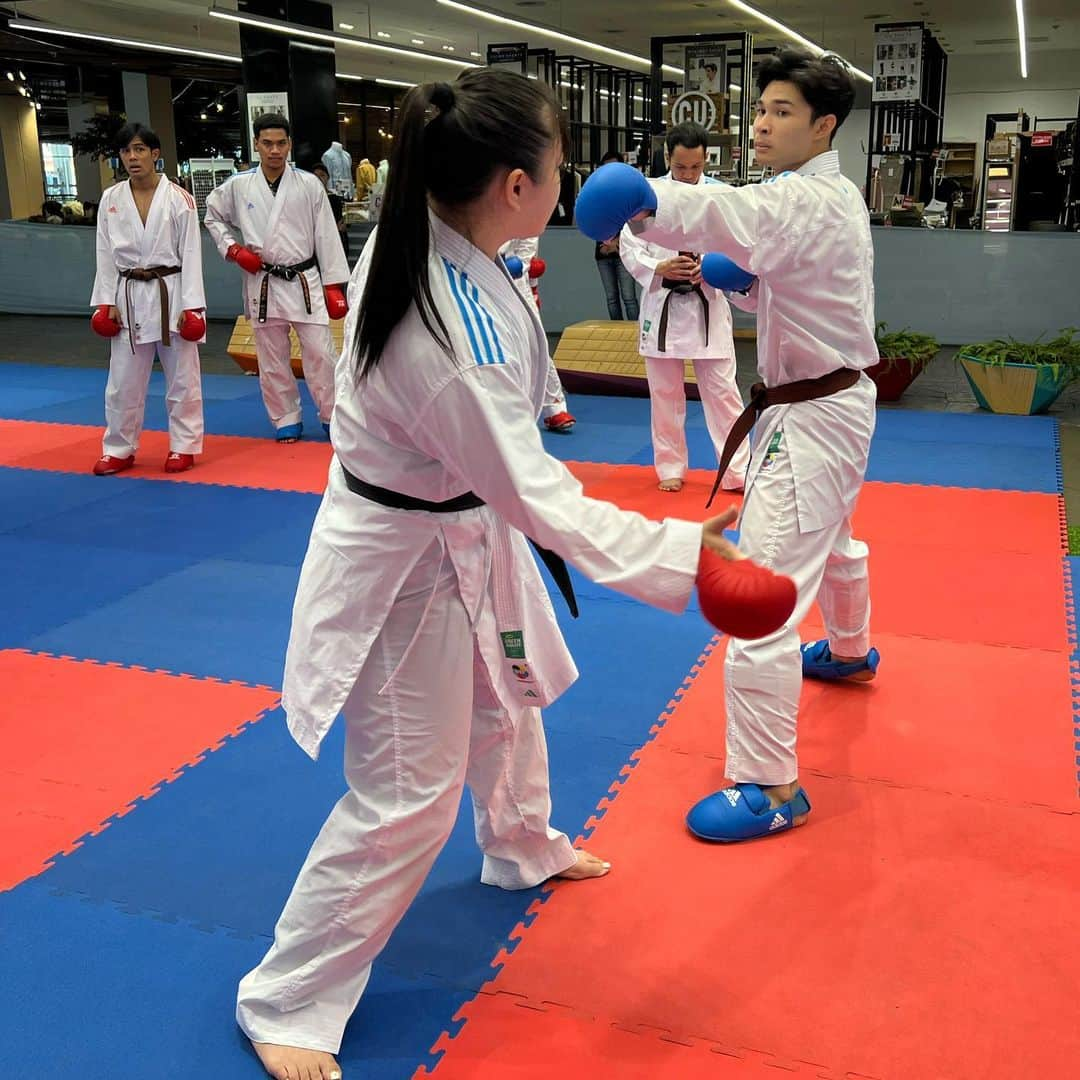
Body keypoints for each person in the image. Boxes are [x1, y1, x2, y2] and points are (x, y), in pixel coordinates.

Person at [233, 68, 795, 1080]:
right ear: (511, 184)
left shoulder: (454, 239)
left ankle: (521, 842)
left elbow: (517, 473)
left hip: (460, 519)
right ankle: (289, 993)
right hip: (406, 558)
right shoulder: (447, 331)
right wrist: (688, 558)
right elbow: (541, 497)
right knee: (405, 792)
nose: (567, 172)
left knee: (508, 694)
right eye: (555, 159)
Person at [573, 49, 880, 842]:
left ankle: (770, 787)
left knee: (761, 597)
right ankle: (849, 649)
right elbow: (785, 270)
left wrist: (645, 198)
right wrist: (744, 283)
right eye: (762, 109)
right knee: (835, 536)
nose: (764, 122)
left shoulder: (803, 199)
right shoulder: (825, 194)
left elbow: (730, 216)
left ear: (824, 125)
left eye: (782, 111)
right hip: (833, 403)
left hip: (813, 417)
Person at [620, 122, 750, 494]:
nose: (689, 174)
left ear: (705, 159)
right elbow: (632, 247)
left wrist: (712, 267)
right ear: (668, 158)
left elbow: (740, 247)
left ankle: (736, 471)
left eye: (695, 167)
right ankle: (670, 468)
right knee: (665, 395)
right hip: (662, 305)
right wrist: (657, 268)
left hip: (708, 302)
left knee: (723, 392)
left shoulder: (725, 197)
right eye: (681, 167)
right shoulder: (650, 197)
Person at [204, 114, 349, 443]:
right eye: (267, 143)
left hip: (304, 279)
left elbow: (326, 235)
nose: (274, 150)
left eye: (280, 143)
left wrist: (334, 284)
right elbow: (212, 215)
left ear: (289, 145)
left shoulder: (308, 184)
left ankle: (332, 414)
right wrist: (233, 250)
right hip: (262, 279)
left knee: (321, 353)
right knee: (271, 356)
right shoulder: (239, 186)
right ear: (256, 144)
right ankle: (285, 417)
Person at [88, 122, 205, 476]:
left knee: (183, 377)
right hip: (128, 296)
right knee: (122, 380)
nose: (133, 157)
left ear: (155, 154)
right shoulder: (111, 199)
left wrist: (193, 306)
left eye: (140, 149)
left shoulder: (180, 199)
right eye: (126, 151)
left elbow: (191, 253)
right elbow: (105, 254)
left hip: (170, 292)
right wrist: (105, 302)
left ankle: (183, 445)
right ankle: (119, 447)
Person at [498, 235, 575, 432]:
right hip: (478, 275)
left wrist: (533, 288)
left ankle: (554, 407)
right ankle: (504, 410)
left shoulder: (525, 208)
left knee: (536, 342)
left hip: (515, 278)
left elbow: (528, 250)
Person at [593, 150, 639, 320]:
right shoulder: (597, 193)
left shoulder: (628, 192)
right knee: (611, 299)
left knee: (629, 298)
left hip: (624, 252)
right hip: (602, 253)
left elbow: (636, 223)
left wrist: (617, 243)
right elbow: (593, 221)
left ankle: (637, 336)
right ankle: (616, 335)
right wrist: (605, 244)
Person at [312, 162, 350, 260]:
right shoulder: (308, 199)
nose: (319, 178)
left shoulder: (335, 199)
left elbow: (342, 221)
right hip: (315, 244)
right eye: (315, 176)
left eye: (322, 175)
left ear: (327, 178)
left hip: (335, 242)